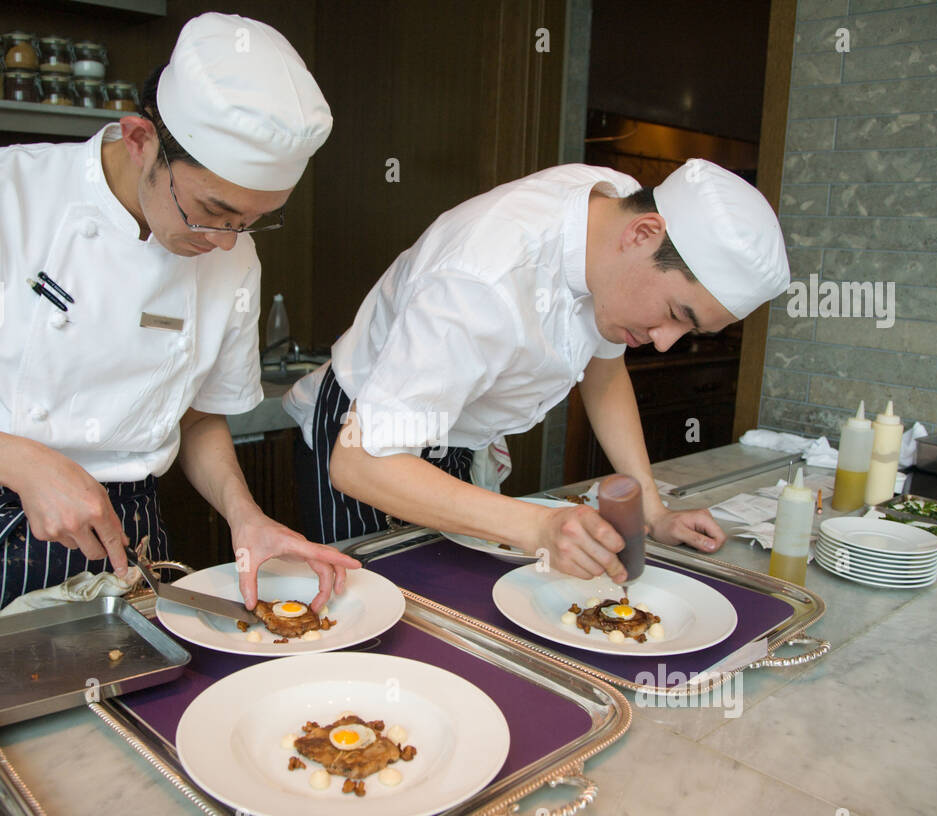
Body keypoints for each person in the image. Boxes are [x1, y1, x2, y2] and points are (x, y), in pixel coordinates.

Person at [0, 13, 358, 640]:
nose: (223, 241)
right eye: (212, 211)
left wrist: (246, 516)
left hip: (131, 541)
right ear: (138, 140)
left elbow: (197, 413)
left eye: (253, 221)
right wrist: (27, 464)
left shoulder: (233, 254)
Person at [285, 159, 790, 583]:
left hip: (451, 436)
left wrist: (651, 510)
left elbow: (605, 369)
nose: (663, 343)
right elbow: (363, 464)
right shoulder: (482, 277)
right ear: (643, 234)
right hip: (365, 435)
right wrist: (537, 527)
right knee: (377, 608)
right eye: (677, 315)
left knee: (453, 594)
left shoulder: (613, 212)